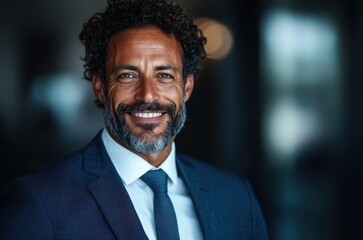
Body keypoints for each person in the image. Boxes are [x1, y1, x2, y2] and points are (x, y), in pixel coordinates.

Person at [0, 0, 268, 239]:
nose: (148, 94)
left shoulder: (236, 197)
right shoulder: (37, 203)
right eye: (127, 75)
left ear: (186, 87)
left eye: (164, 75)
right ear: (100, 87)